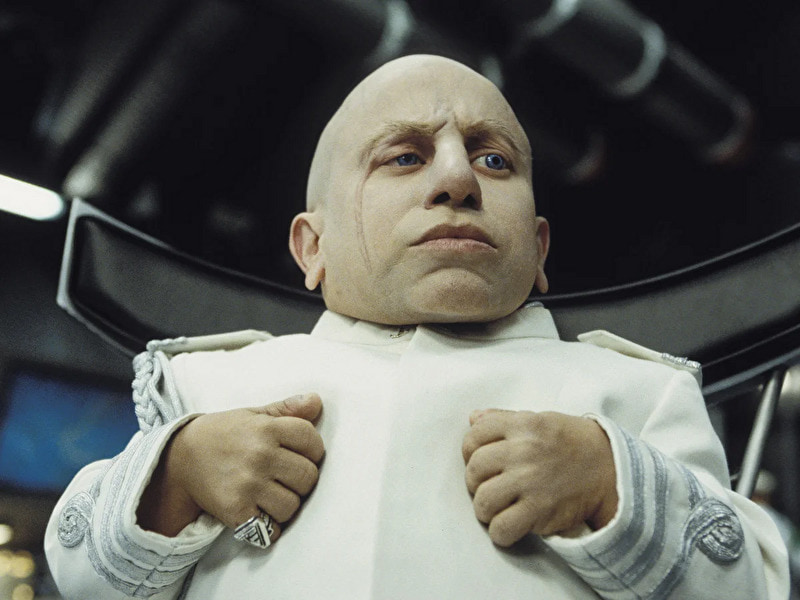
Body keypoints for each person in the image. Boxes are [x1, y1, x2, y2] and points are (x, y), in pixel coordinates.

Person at [45, 54, 788, 599]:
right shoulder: (211, 390)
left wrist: (610, 485)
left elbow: (752, 585)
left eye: (493, 159)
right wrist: (176, 477)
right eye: (404, 156)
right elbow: (83, 578)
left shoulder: (638, 394)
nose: (458, 179)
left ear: (538, 251)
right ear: (313, 247)